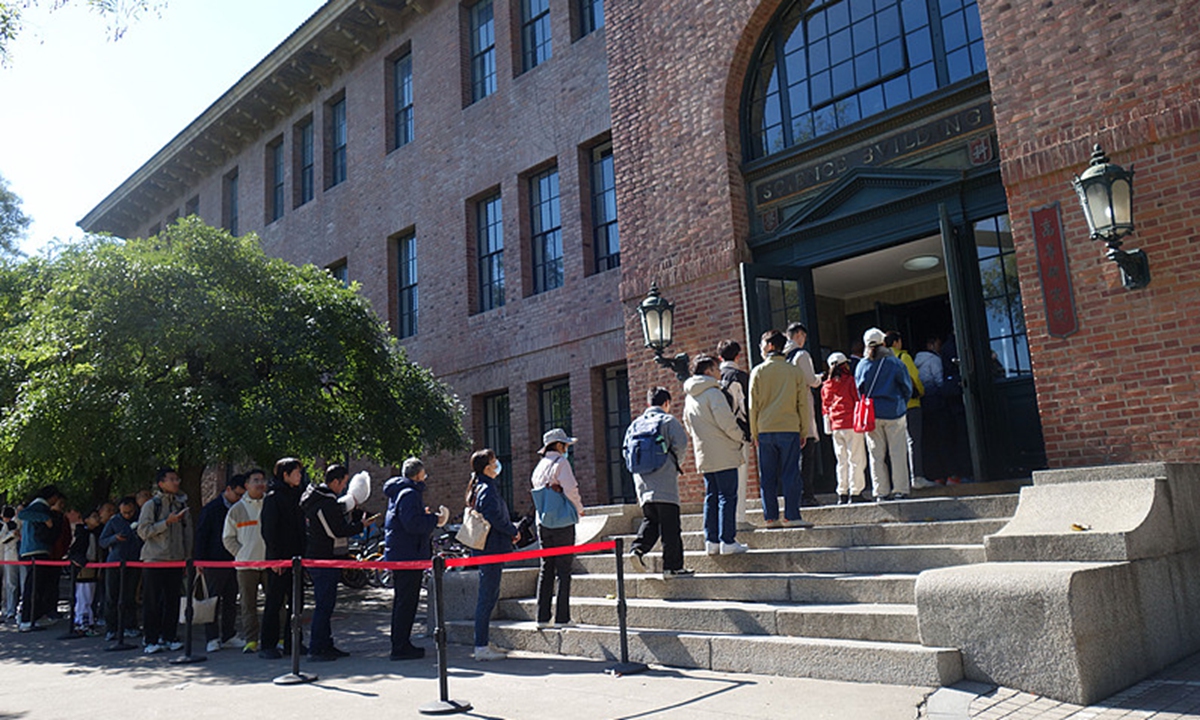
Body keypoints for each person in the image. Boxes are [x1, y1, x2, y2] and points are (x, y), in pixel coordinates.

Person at [300, 464, 369, 662]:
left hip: (322, 557)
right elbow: (336, 530)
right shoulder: (325, 502)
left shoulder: (319, 499)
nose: (344, 487)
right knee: (323, 605)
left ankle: (326, 644)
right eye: (344, 483)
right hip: (324, 558)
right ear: (335, 481)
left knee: (326, 604)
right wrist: (360, 526)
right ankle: (316, 648)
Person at [683, 356, 749, 555]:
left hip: (704, 452)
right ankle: (727, 540)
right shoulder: (713, 393)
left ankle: (711, 541)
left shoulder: (690, 396)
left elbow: (687, 424)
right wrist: (741, 436)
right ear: (709, 370)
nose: (720, 371)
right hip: (723, 451)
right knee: (727, 496)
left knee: (711, 496)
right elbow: (726, 422)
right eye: (716, 368)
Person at [383, 457, 448, 661]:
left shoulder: (400, 492)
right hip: (408, 554)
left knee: (403, 601)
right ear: (418, 475)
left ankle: (401, 643)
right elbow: (412, 524)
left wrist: (423, 515)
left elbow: (407, 520)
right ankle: (400, 646)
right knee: (406, 602)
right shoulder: (410, 493)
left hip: (402, 552)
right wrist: (433, 519)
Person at [625, 387, 693, 578]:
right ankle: (672, 567)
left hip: (643, 484)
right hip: (665, 483)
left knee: (651, 520)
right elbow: (681, 445)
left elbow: (626, 453)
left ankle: (636, 550)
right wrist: (674, 465)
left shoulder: (635, 425)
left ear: (648, 403)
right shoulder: (668, 420)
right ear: (666, 403)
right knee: (671, 527)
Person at [748, 330, 813, 528]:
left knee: (767, 476)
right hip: (790, 428)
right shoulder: (794, 371)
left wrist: (754, 432)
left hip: (765, 429)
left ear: (769, 346)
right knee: (790, 473)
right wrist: (804, 430)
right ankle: (792, 516)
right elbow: (802, 403)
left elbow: (753, 405)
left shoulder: (758, 371)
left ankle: (770, 517)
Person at [466, 448, 518, 661]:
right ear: (486, 467)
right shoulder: (487, 489)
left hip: (488, 548)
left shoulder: (480, 487)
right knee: (487, 597)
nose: (497, 465)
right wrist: (512, 531)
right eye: (494, 461)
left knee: (489, 595)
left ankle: (483, 642)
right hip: (491, 548)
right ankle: (481, 647)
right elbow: (494, 516)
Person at [531, 428, 585, 628]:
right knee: (564, 570)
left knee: (546, 568)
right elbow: (571, 489)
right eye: (565, 444)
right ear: (559, 445)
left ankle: (542, 617)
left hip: (543, 522)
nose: (567, 448)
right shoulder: (561, 463)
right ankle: (562, 618)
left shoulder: (539, 467)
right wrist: (579, 509)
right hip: (562, 522)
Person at [136, 468, 193, 654]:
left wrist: (187, 557)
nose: (176, 482)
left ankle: (169, 636)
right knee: (152, 601)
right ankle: (150, 639)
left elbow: (187, 533)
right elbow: (143, 531)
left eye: (177, 479)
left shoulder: (180, 504)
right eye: (171, 479)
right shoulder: (152, 505)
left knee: (172, 600)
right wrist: (166, 523)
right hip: (154, 559)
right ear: (161, 483)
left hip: (176, 560)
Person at [856, 328, 914, 501]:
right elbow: (907, 387)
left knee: (876, 455)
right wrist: (901, 403)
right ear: (884, 342)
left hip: (872, 413)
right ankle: (900, 490)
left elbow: (860, 391)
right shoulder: (894, 362)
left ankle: (881, 491)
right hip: (894, 411)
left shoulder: (862, 365)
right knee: (897, 452)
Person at [259, 457, 307, 659]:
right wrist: (275, 559)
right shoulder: (273, 497)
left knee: (297, 602)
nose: (299, 476)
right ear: (285, 475)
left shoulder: (299, 495)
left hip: (298, 557)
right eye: (295, 472)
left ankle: (293, 642)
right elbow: (268, 531)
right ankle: (267, 644)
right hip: (281, 558)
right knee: (275, 601)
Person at [195, 473, 246, 652]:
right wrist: (199, 560)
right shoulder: (212, 509)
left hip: (235, 559)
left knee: (231, 599)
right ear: (228, 489)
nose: (240, 498)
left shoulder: (242, 508)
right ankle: (212, 638)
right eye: (238, 494)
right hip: (214, 560)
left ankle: (229, 635)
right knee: (213, 600)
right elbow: (201, 535)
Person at [222, 468, 270, 653]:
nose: (260, 484)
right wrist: (241, 553)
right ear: (247, 485)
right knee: (247, 604)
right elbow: (228, 538)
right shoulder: (237, 509)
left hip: (270, 563)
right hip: (246, 565)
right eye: (255, 480)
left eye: (262, 480)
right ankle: (251, 640)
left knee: (276, 602)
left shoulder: (270, 503)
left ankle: (278, 638)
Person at [885, 331, 932, 490]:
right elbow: (915, 378)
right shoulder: (903, 358)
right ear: (897, 342)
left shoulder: (884, 360)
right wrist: (921, 391)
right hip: (911, 404)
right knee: (913, 441)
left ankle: (899, 481)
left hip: (893, 408)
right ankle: (917, 476)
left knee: (897, 445)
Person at [18, 485, 67, 631]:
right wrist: (46, 518)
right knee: (32, 586)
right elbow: (22, 514)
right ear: (52, 497)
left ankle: (35, 617)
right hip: (35, 549)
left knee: (37, 586)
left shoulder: (39, 506)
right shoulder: (39, 506)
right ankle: (26, 618)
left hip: (35, 550)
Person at [716, 339, 753, 531]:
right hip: (739, 432)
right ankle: (738, 518)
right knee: (740, 475)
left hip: (717, 434)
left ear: (720, 356)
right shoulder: (741, 377)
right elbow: (747, 407)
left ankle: (723, 521)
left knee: (719, 481)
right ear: (738, 356)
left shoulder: (714, 377)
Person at [821, 352, 867, 504]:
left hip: (836, 426)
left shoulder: (826, 385)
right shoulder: (851, 381)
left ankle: (842, 492)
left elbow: (825, 408)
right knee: (856, 459)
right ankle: (856, 492)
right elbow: (857, 400)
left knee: (841, 460)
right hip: (851, 424)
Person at [785, 322, 823, 507]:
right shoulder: (801, 355)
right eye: (804, 337)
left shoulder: (781, 357)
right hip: (802, 409)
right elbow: (811, 380)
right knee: (807, 455)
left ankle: (795, 495)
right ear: (799, 335)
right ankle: (807, 494)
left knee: (792, 458)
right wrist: (821, 378)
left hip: (787, 411)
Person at [99, 496, 142, 641]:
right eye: (124, 512)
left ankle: (130, 626)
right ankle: (112, 628)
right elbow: (102, 541)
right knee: (112, 596)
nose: (127, 515)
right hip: (115, 562)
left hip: (133, 563)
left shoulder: (141, 519)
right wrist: (115, 538)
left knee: (130, 596)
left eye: (130, 512)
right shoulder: (114, 521)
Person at [914, 335, 948, 484]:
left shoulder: (915, 361)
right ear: (931, 344)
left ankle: (933, 474)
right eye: (938, 343)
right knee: (941, 438)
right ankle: (945, 473)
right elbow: (939, 380)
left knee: (927, 440)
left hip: (922, 403)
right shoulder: (935, 360)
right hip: (935, 402)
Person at [67, 508, 103, 634]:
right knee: (84, 596)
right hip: (84, 567)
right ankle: (83, 622)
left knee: (90, 596)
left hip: (93, 566)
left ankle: (87, 622)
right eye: (94, 516)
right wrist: (82, 562)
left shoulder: (96, 533)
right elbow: (74, 551)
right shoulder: (81, 533)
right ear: (86, 519)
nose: (97, 518)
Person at [1, 505, 19, 625]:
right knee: (9, 584)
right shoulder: (8, 526)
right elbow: (2, 539)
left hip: (19, 557)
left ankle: (13, 608)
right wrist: (12, 534)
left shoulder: (21, 524)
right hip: (9, 558)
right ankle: (9, 608)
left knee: (14, 584)